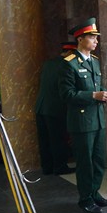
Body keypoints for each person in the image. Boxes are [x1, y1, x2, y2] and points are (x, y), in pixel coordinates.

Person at [59, 18, 107, 213]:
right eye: (92, 38)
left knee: (99, 160)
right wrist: (93, 95)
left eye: (96, 38)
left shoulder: (94, 61)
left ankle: (95, 192)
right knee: (85, 162)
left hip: (97, 118)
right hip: (81, 122)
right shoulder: (69, 64)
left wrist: (105, 94)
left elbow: (96, 87)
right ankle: (85, 198)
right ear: (80, 39)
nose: (96, 41)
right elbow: (67, 95)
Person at [35, 42, 76, 175]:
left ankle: (47, 167)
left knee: (44, 140)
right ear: (71, 53)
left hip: (41, 108)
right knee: (58, 139)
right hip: (55, 109)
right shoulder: (66, 64)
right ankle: (60, 167)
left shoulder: (49, 63)